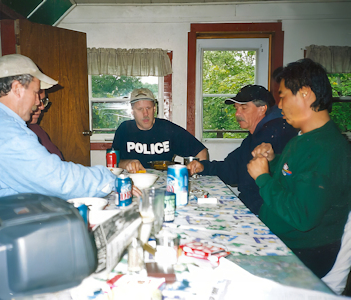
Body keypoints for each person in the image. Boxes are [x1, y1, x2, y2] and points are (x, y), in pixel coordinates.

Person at [0, 54, 117, 233]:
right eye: (36, 92)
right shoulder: (4, 132)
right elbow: (58, 180)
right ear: (17, 88)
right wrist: (113, 180)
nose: (39, 102)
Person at [247, 58, 351, 278]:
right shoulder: (303, 138)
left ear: (305, 93)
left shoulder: (327, 149)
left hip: (302, 254)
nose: (280, 105)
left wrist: (263, 178)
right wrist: (273, 161)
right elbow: (291, 179)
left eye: (283, 96)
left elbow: (302, 217)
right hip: (279, 239)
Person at [187, 85, 297, 215]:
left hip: (264, 213)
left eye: (244, 108)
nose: (237, 114)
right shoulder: (254, 137)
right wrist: (203, 166)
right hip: (250, 205)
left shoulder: (277, 134)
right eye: (236, 108)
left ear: (262, 109)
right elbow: (232, 170)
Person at [112, 88, 208, 173]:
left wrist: (196, 174)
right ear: (132, 111)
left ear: (154, 109)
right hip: (132, 183)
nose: (145, 113)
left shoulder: (168, 129)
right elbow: (113, 162)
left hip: (165, 184)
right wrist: (127, 163)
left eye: (148, 108)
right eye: (140, 109)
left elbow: (201, 152)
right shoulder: (124, 129)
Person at [28, 89, 65, 160]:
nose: (42, 107)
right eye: (35, 103)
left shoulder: (36, 128)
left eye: (43, 101)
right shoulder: (16, 132)